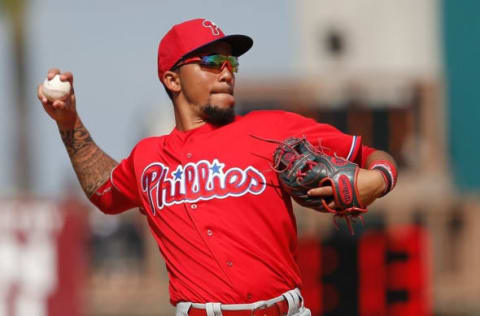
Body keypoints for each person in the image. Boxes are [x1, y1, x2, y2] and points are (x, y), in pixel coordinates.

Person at [37, 18, 397, 316]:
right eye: (211, 63)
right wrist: (69, 122)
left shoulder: (272, 128)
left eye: (232, 63)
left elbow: (372, 155)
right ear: (172, 79)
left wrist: (378, 181)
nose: (227, 73)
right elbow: (103, 190)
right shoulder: (148, 158)